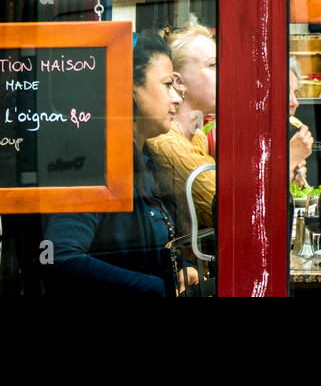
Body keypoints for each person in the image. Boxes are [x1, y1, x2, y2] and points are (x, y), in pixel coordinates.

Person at [44, 32, 192, 296]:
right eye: (167, 84)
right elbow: (61, 256)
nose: (177, 99)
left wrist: (181, 268)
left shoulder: (142, 159)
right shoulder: (95, 162)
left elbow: (148, 249)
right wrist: (159, 289)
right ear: (130, 88)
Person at [147, 18, 217, 239]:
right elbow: (233, 213)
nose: (224, 73)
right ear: (177, 81)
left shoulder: (195, 135)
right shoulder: (166, 141)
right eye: (213, 65)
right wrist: (288, 161)